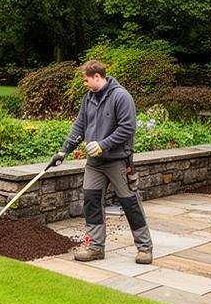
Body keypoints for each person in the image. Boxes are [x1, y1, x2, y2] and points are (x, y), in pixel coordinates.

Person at [57, 60, 153, 264]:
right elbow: (79, 127)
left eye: (86, 80)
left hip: (117, 161)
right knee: (91, 202)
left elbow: (127, 128)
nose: (85, 84)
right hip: (94, 164)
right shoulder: (88, 98)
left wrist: (103, 144)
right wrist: (63, 151)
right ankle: (95, 247)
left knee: (130, 203)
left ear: (97, 77)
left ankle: (145, 248)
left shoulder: (121, 96)